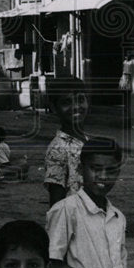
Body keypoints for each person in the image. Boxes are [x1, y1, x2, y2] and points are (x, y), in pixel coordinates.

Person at [47, 136, 134, 268]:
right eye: (95, 169)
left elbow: (111, 264)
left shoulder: (117, 217)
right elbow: (52, 266)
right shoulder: (66, 210)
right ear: (81, 169)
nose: (103, 176)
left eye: (110, 171)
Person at [43, 76, 90, 207]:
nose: (76, 107)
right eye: (66, 102)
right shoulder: (58, 148)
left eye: (80, 100)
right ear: (53, 107)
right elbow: (56, 203)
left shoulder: (86, 140)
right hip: (72, 220)